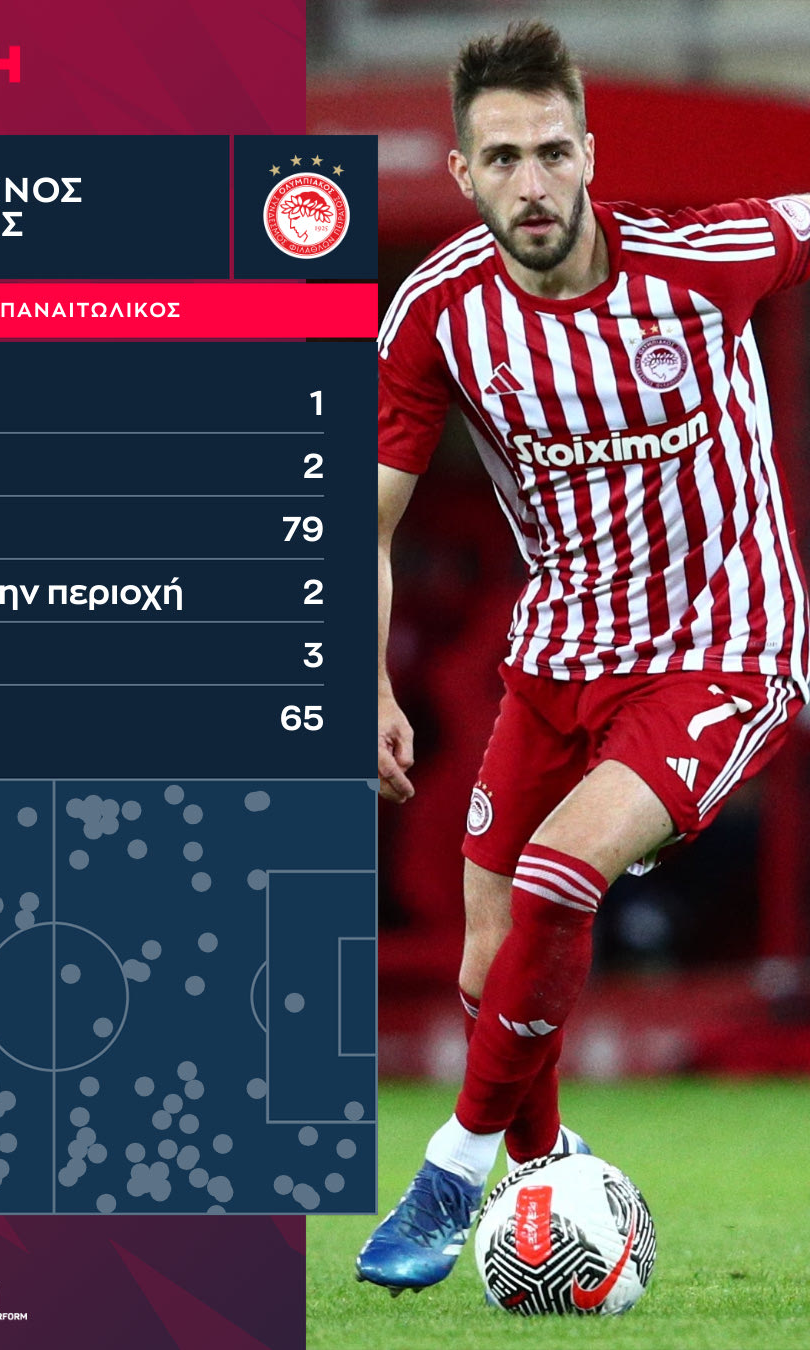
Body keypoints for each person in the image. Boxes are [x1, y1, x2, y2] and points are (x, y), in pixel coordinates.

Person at [359, 18, 810, 1295]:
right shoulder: (438, 312)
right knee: (483, 956)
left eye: (553, 152)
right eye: (503, 158)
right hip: (560, 651)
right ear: (464, 173)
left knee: (562, 871)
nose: (533, 183)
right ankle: (548, 1180)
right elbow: (368, 524)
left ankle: (451, 1171)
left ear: (591, 155)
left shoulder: (707, 260)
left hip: (727, 644)